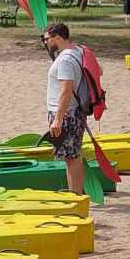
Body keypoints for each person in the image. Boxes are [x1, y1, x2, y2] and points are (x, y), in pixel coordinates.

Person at [42, 23, 88, 196]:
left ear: (58, 38)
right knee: (72, 156)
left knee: (71, 158)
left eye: (47, 39)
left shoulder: (66, 59)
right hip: (73, 112)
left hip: (67, 114)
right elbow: (99, 71)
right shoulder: (78, 51)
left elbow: (66, 90)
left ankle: (76, 196)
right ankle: (76, 193)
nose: (45, 42)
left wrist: (58, 119)